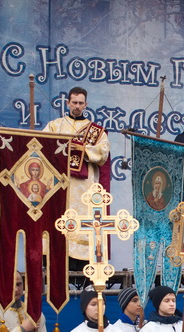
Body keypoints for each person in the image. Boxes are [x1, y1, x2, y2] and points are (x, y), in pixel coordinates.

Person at [43, 87, 110, 266]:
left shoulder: (96, 131)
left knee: (83, 223)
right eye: (74, 102)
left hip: (85, 189)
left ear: (86, 105)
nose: (77, 106)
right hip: (59, 185)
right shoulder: (55, 126)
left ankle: (82, 264)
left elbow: (103, 153)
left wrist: (83, 149)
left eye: (81, 103)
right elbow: (42, 147)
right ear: (68, 103)